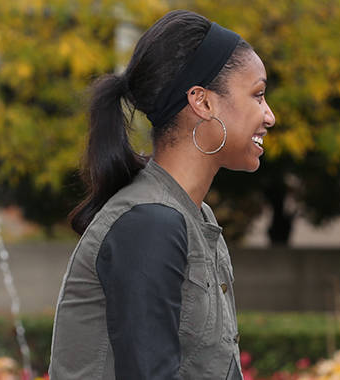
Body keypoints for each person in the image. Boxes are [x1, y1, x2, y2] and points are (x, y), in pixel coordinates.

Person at [49, 10, 274, 379]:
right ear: (202, 102)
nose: (269, 116)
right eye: (258, 95)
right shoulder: (149, 222)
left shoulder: (195, 216)